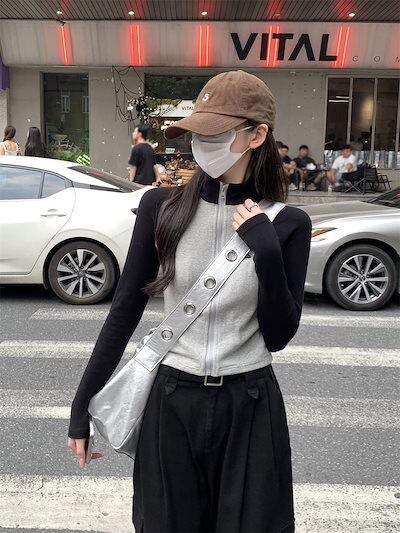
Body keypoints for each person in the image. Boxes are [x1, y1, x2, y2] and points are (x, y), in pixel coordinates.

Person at [67, 70, 312, 533]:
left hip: (250, 403)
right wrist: (81, 407)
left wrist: (266, 253)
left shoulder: (288, 224)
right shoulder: (161, 207)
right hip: (171, 400)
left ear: (257, 135)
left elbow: (279, 335)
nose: (202, 144)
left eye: (216, 133)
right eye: (198, 132)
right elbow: (124, 311)